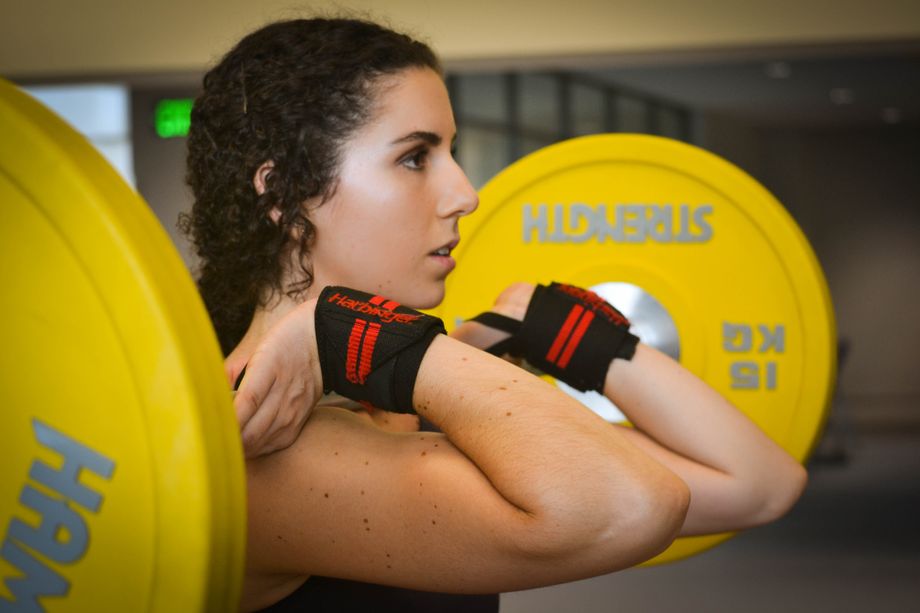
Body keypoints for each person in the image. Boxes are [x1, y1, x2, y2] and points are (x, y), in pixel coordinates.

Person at [181, 17, 807, 612]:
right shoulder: (258, 446)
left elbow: (760, 484)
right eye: (414, 157)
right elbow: (632, 505)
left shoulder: (399, 400)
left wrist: (565, 337)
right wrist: (385, 343)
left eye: (449, 152)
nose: (465, 194)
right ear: (286, 194)